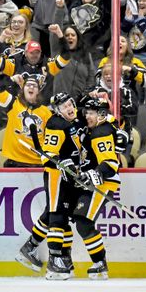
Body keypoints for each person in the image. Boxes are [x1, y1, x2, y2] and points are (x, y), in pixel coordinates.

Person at [76, 98, 121, 280]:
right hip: (93, 181)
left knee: (84, 223)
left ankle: (100, 264)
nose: (87, 116)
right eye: (87, 112)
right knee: (79, 220)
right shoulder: (97, 128)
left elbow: (110, 163)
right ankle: (99, 263)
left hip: (103, 182)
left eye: (91, 113)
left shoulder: (101, 133)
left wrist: (92, 174)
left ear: (101, 115)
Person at [40, 92, 82, 280]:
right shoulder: (56, 124)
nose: (69, 107)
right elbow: (47, 155)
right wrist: (60, 162)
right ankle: (53, 262)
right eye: (64, 106)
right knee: (56, 216)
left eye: (70, 103)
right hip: (57, 176)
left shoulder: (71, 122)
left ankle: (64, 259)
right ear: (57, 111)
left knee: (64, 219)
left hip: (70, 178)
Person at [0, 74, 52, 167]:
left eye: (34, 85)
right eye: (28, 85)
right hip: (15, 161)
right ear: (23, 89)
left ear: (38, 91)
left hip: (38, 163)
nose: (31, 87)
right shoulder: (13, 104)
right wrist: (12, 79)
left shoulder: (46, 112)